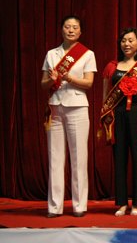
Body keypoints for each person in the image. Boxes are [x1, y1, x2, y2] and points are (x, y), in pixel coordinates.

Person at [41, 15, 97, 218]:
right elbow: (44, 84)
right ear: (61, 29)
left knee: (79, 157)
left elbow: (89, 83)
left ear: (80, 32)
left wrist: (70, 78)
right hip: (55, 106)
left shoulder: (87, 54)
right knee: (55, 157)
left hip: (77, 106)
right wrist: (52, 79)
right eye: (67, 26)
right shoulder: (51, 54)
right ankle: (54, 207)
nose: (71, 30)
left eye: (75, 27)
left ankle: (79, 205)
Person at [100, 27, 137, 216]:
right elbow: (105, 96)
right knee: (119, 159)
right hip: (117, 116)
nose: (127, 44)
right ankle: (122, 203)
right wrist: (106, 119)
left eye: (131, 40)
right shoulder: (111, 67)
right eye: (123, 40)